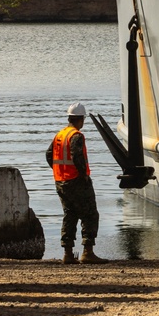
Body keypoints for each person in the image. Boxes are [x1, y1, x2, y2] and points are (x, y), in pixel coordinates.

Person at [46, 102, 107, 264]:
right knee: (90, 214)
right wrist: (83, 175)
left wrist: (58, 171)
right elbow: (77, 156)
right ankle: (88, 252)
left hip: (60, 181)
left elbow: (49, 154)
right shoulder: (76, 136)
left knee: (70, 214)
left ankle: (67, 253)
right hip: (76, 181)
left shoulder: (59, 135)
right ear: (80, 119)